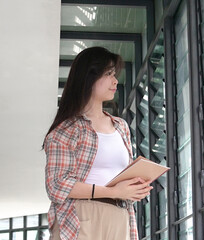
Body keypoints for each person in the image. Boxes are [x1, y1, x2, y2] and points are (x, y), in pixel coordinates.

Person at [43, 47, 152, 240]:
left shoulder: (121, 127)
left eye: (115, 74)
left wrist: (135, 187)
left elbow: (120, 175)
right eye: (109, 74)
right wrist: (113, 191)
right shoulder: (67, 129)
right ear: (89, 78)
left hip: (121, 215)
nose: (115, 81)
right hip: (82, 216)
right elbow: (58, 185)